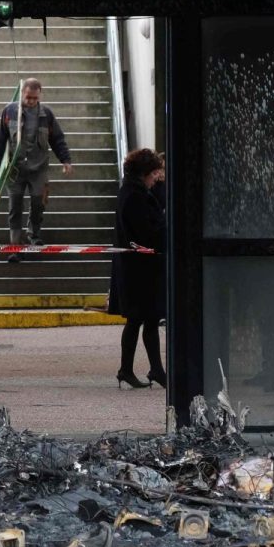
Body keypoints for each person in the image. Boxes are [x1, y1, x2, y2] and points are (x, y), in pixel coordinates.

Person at [0, 78, 73, 246]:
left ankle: (33, 234)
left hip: (38, 168)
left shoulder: (46, 115)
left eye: (35, 98)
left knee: (38, 203)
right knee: (15, 206)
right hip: (15, 169)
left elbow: (57, 139)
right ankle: (15, 245)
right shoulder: (9, 111)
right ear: (22, 94)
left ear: (40, 96)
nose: (31, 101)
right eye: (28, 97)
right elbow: (1, 137)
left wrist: (66, 160)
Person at [113, 148, 169, 390]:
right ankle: (139, 369)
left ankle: (147, 369)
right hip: (140, 269)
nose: (157, 177)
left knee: (144, 319)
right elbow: (148, 230)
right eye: (154, 172)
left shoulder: (132, 192)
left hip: (136, 268)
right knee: (141, 318)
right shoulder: (136, 196)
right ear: (145, 172)